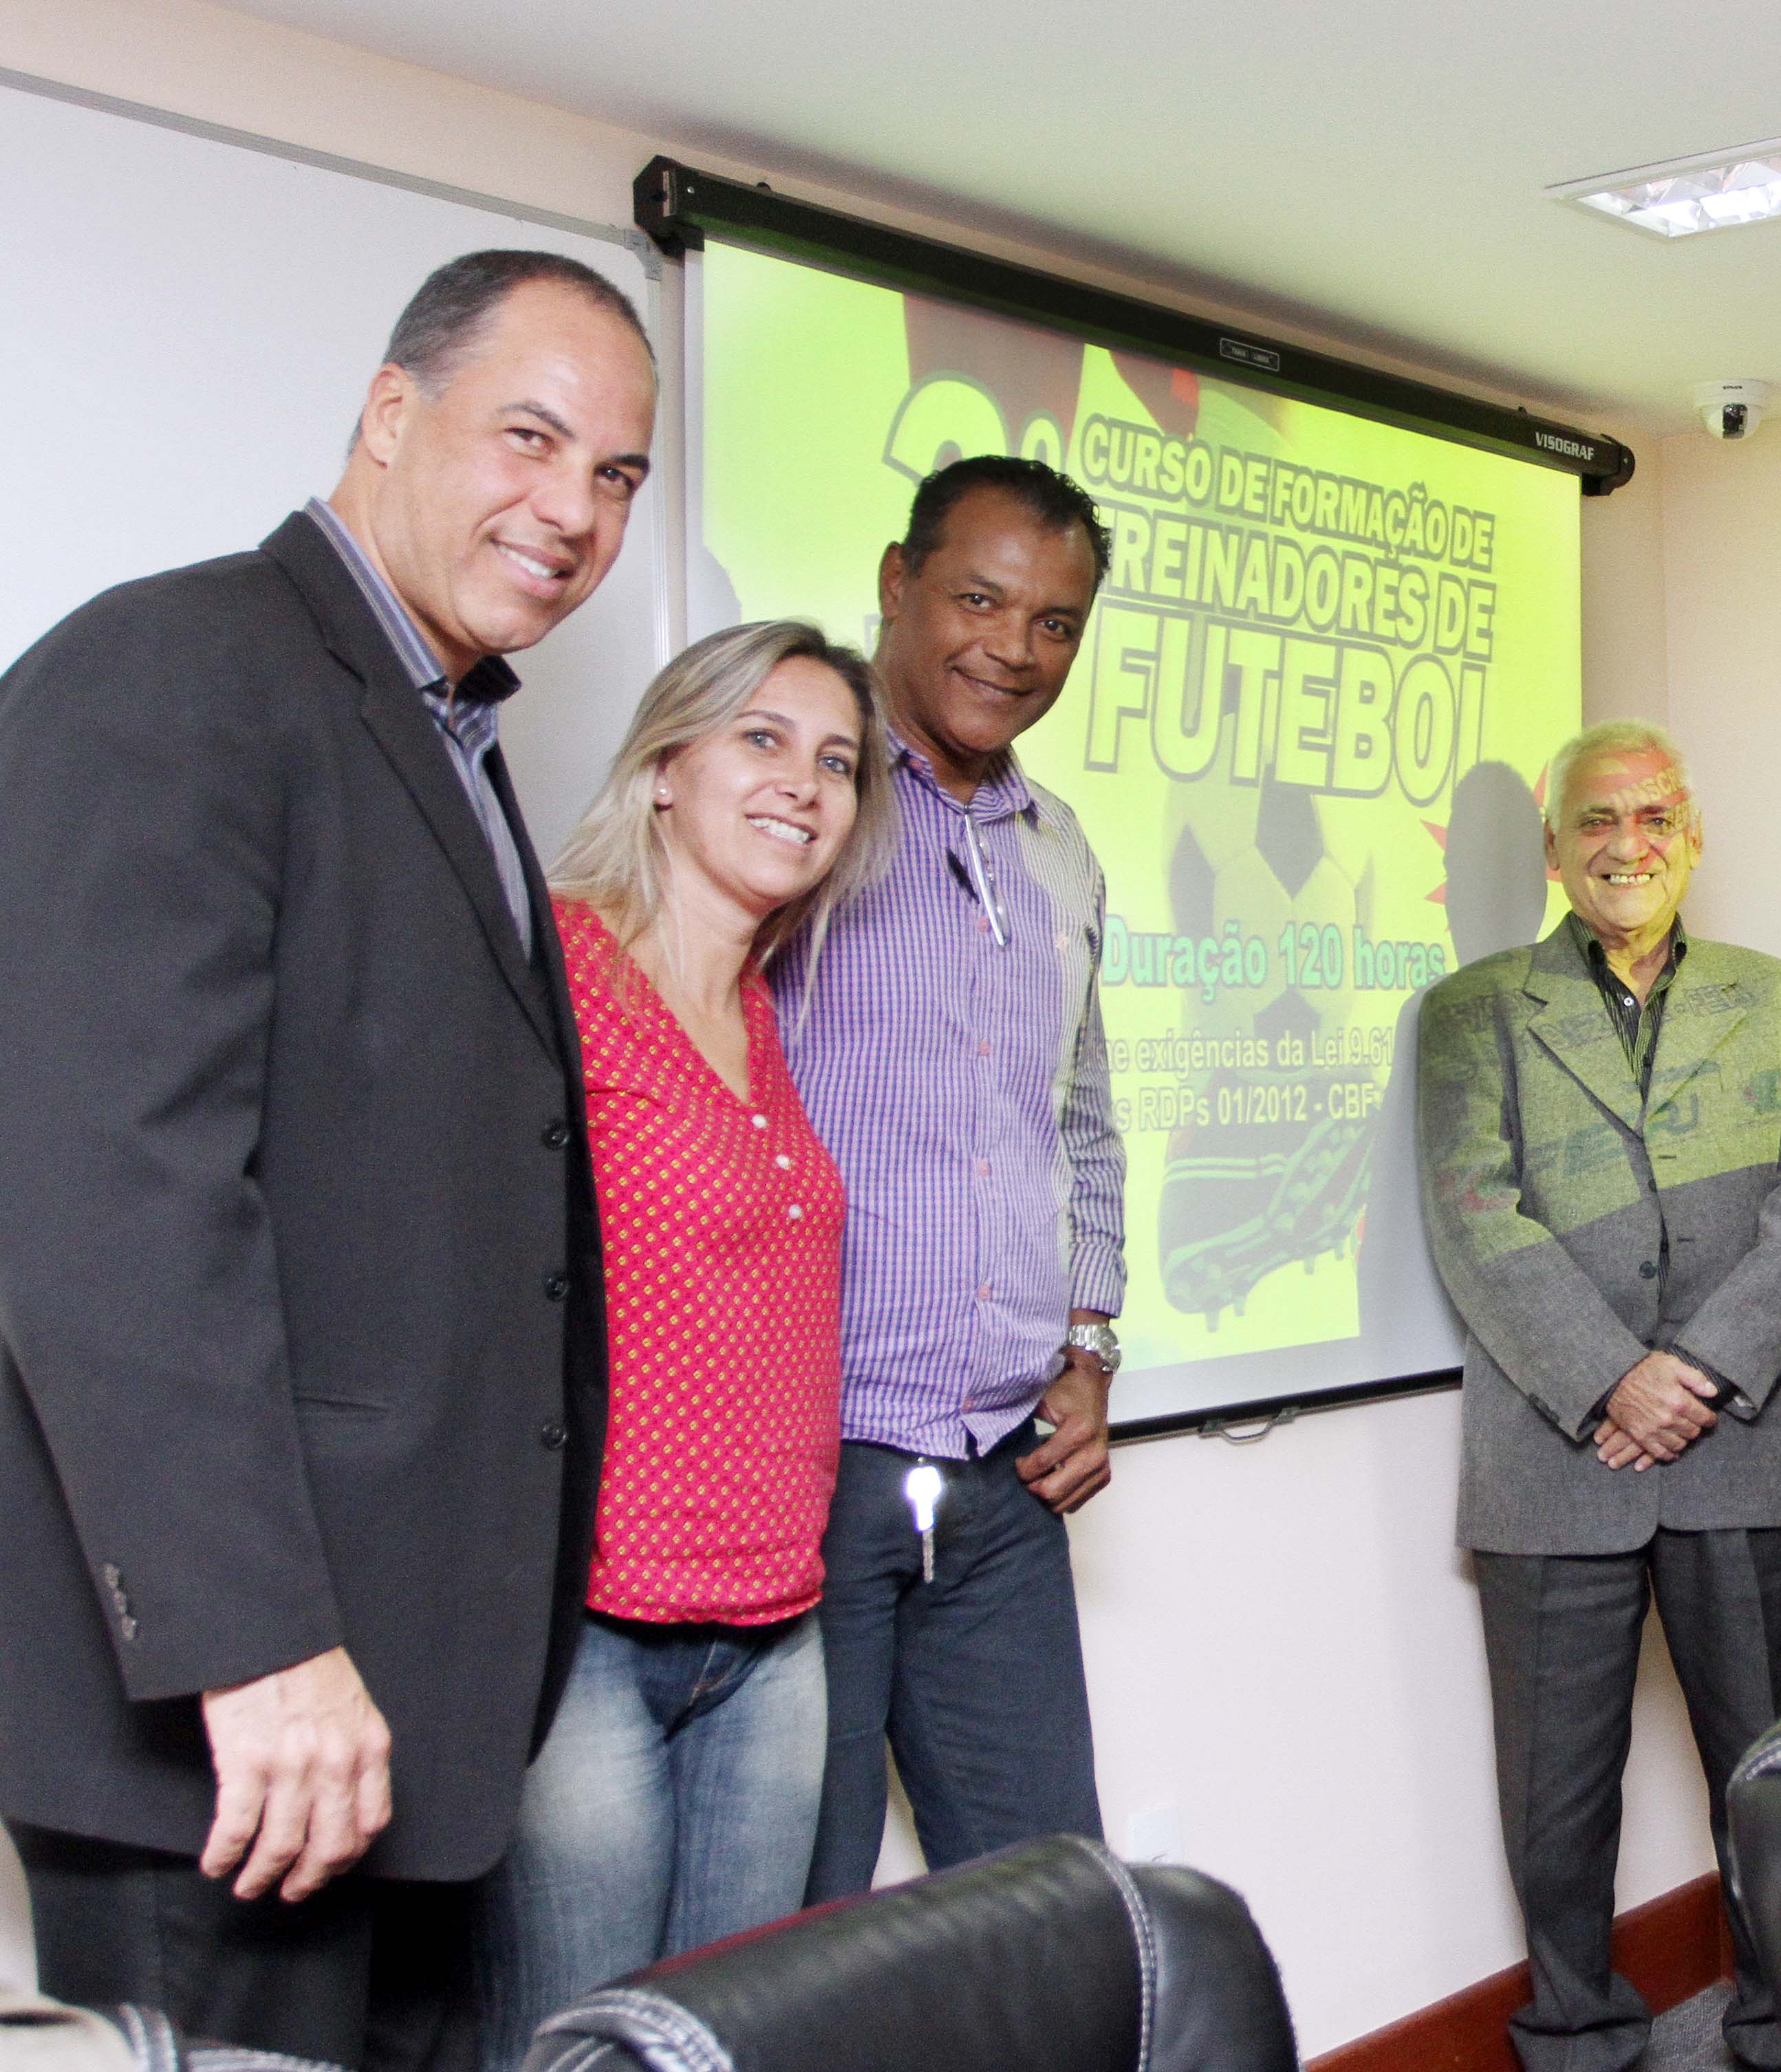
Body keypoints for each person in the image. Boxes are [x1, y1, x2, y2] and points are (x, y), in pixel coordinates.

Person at [0, 249, 654, 2068]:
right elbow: (106, 1198)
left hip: (409, 1721)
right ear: (388, 413)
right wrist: (254, 1645)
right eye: (531, 437)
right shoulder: (175, 668)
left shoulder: (446, 727)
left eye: (616, 475)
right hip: (233, 1738)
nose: (573, 509)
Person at [475, 622, 897, 2065]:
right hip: (590, 1626)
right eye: (763, 741)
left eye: (836, 761)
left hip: (777, 1629)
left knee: (720, 2046)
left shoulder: (770, 1006)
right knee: (581, 2051)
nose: (805, 784)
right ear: (667, 766)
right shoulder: (558, 968)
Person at [1416, 720, 1781, 2072]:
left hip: (1740, 1443)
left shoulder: (1777, 998)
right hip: (1554, 1456)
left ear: (1694, 835)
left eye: (1653, 818)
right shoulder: (1472, 1013)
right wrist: (1613, 1378)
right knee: (1557, 1804)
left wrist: (1700, 1373)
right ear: (1553, 849)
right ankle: (1577, 2039)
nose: (1626, 846)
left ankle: (1778, 2027)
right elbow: (1476, 1215)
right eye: (1596, 822)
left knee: (1769, 1771)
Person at [782, 455, 1130, 1903]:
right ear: (894, 584)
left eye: (1055, 622)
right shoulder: (796, 801)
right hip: (812, 1461)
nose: (1014, 647)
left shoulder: (1059, 851)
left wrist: (1092, 1342)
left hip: (998, 1475)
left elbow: (1085, 1121)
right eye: (979, 599)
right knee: (802, 1922)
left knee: (1049, 1905)